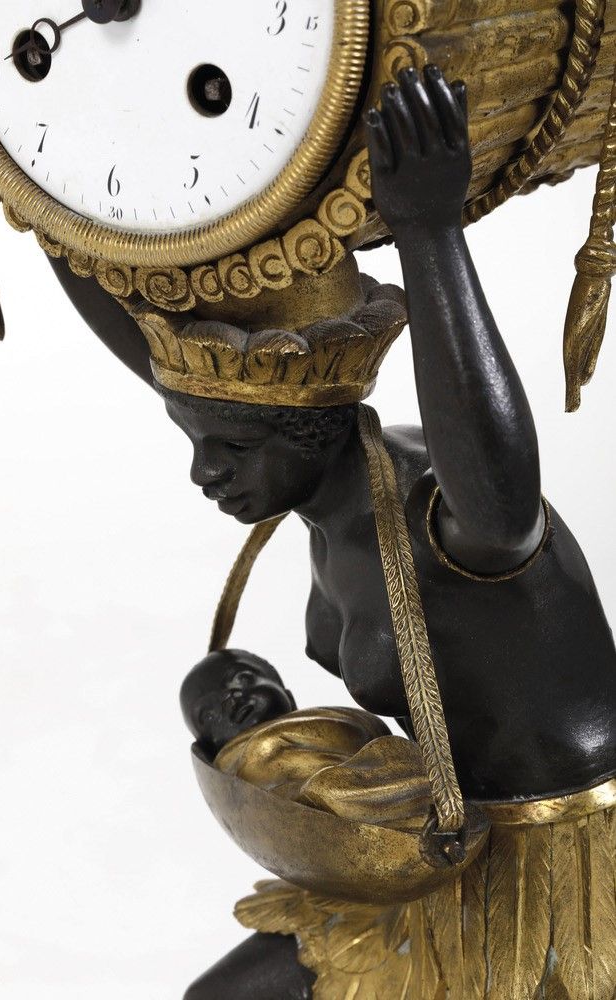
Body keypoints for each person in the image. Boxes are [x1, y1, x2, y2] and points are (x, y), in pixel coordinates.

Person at [49, 66, 616, 999]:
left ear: (306, 429)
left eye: (230, 450)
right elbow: (148, 348)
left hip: (566, 886)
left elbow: (504, 495)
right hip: (438, 861)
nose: (203, 473)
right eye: (195, 442)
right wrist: (41, 177)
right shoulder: (319, 492)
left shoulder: (436, 507)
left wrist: (430, 232)